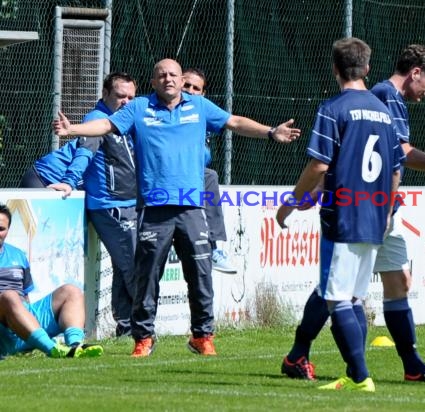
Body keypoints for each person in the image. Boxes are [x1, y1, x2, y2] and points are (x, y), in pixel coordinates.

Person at [52, 58, 300, 358]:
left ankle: (203, 336)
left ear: (182, 80)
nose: (168, 79)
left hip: (192, 209)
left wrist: (271, 132)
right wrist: (72, 129)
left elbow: (234, 122)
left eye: (173, 75)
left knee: (200, 273)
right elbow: (105, 124)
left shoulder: (199, 108)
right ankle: (143, 339)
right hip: (154, 209)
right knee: (146, 278)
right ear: (154, 82)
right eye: (161, 75)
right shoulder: (140, 108)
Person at [280, 44, 425, 383]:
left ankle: (362, 374)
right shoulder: (382, 104)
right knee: (344, 293)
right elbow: (393, 162)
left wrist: (294, 201)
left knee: (341, 293)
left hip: (351, 213)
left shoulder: (339, 106)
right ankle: (323, 360)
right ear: (367, 68)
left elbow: (324, 161)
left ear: (334, 69)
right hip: (372, 212)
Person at [47, 72, 138, 338]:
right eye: (120, 96)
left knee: (128, 266)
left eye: (131, 97)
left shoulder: (127, 121)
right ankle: (142, 325)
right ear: (105, 95)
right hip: (109, 206)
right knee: (133, 266)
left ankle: (127, 325)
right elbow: (84, 153)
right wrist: (69, 181)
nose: (126, 102)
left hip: (132, 203)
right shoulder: (97, 120)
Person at [0, 203, 103, 359]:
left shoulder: (17, 254)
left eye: (1, 229)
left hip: (24, 316)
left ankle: (75, 346)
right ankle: (51, 348)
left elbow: (26, 294)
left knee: (71, 290)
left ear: (8, 230)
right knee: (9, 296)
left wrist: (22, 317)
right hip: (3, 328)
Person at [182, 67, 237, 274]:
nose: (190, 90)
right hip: (161, 176)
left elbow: (234, 122)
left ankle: (214, 246)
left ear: (203, 94)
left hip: (190, 177)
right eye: (186, 85)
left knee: (209, 176)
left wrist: (271, 132)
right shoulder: (158, 108)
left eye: (196, 88)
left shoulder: (202, 112)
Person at [19, 138, 86, 189]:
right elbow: (81, 160)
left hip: (53, 179)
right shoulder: (92, 138)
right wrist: (68, 183)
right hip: (44, 177)